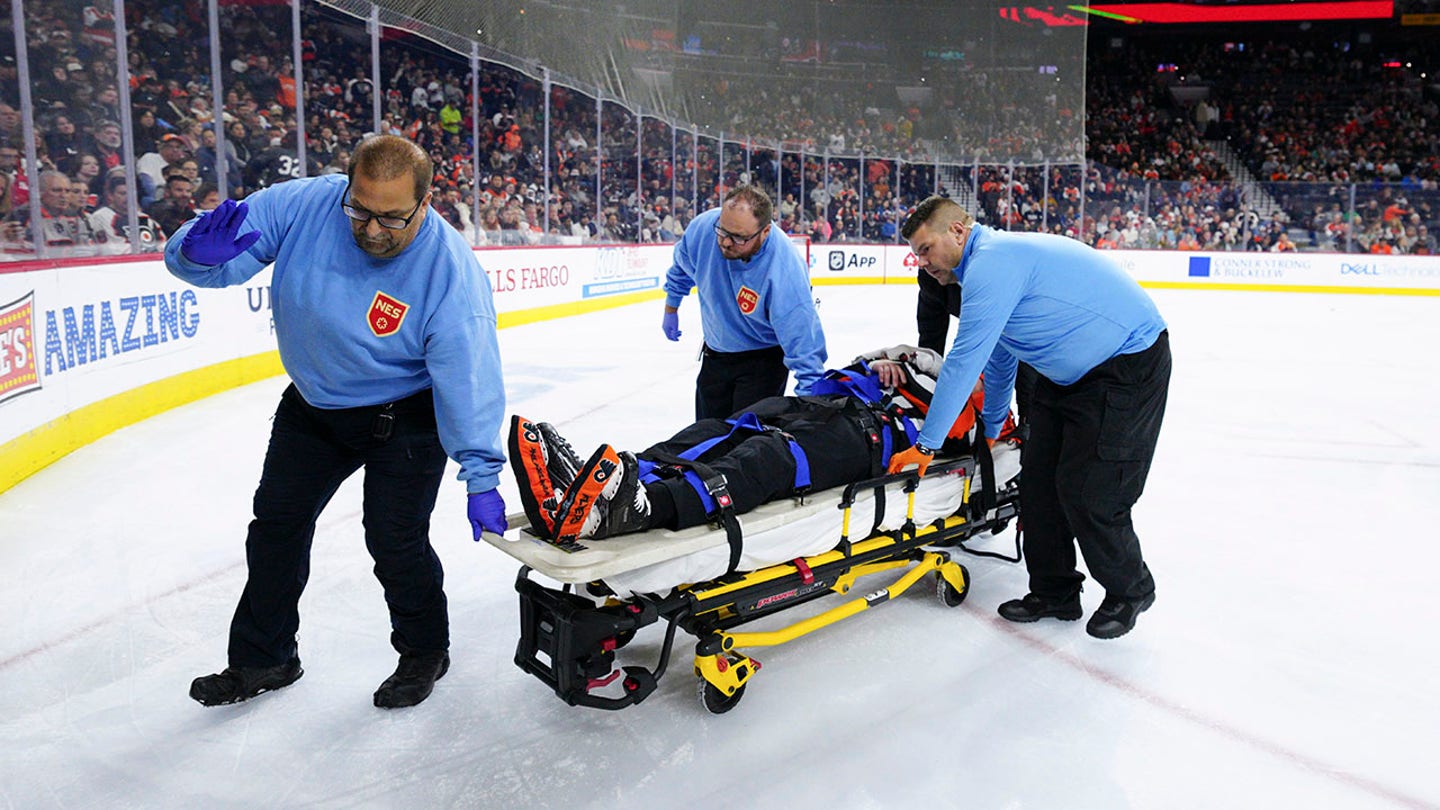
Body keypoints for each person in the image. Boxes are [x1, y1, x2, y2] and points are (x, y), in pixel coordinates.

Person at [164, 135, 508, 709]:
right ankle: (264, 658)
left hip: (406, 416)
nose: (372, 229)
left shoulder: (449, 271)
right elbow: (213, 265)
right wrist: (193, 251)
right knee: (275, 528)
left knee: (394, 539)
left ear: (425, 202)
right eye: (360, 210)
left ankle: (425, 650)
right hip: (315, 407)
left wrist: (481, 472)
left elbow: (469, 377)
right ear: (346, 187)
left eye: (392, 217)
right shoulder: (304, 204)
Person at [889, 196, 1170, 640]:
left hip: (1125, 364)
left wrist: (927, 444)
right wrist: (992, 429)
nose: (921, 262)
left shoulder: (991, 264)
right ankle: (1055, 592)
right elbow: (1000, 360)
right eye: (916, 254)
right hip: (1064, 374)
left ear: (958, 232)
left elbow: (963, 362)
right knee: (1037, 482)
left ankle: (1130, 589)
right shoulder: (984, 271)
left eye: (926, 249)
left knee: (1091, 490)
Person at [510, 344, 995, 544]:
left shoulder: (976, 408)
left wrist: (919, 381)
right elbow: (893, 356)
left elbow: (969, 430)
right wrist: (885, 362)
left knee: (770, 458)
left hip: (871, 440)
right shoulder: (933, 364)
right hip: (828, 407)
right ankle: (623, 476)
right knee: (721, 430)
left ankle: (643, 508)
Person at [662, 185, 827, 421]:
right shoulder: (703, 229)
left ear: (765, 232)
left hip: (762, 363)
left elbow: (803, 341)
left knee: (745, 445)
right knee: (706, 440)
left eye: (739, 237)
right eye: (723, 230)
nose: (726, 242)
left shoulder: (784, 269)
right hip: (715, 356)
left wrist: (810, 404)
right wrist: (671, 306)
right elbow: (681, 267)